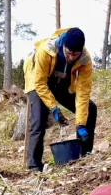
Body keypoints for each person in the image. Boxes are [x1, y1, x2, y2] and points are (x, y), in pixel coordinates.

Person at [23, 27, 96, 172]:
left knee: (91, 108)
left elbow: (83, 93)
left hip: (61, 82)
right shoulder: (46, 50)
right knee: (38, 119)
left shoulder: (85, 60)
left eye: (75, 55)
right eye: (68, 53)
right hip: (38, 81)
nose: (71, 58)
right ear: (63, 46)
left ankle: (83, 154)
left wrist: (80, 124)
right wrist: (54, 109)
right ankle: (34, 165)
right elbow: (40, 83)